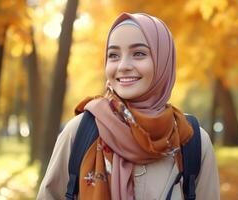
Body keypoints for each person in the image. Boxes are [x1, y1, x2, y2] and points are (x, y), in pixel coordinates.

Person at [37, 12, 220, 200]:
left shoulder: (191, 141)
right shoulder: (80, 132)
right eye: (114, 55)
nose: (123, 65)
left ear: (163, 61)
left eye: (139, 53)